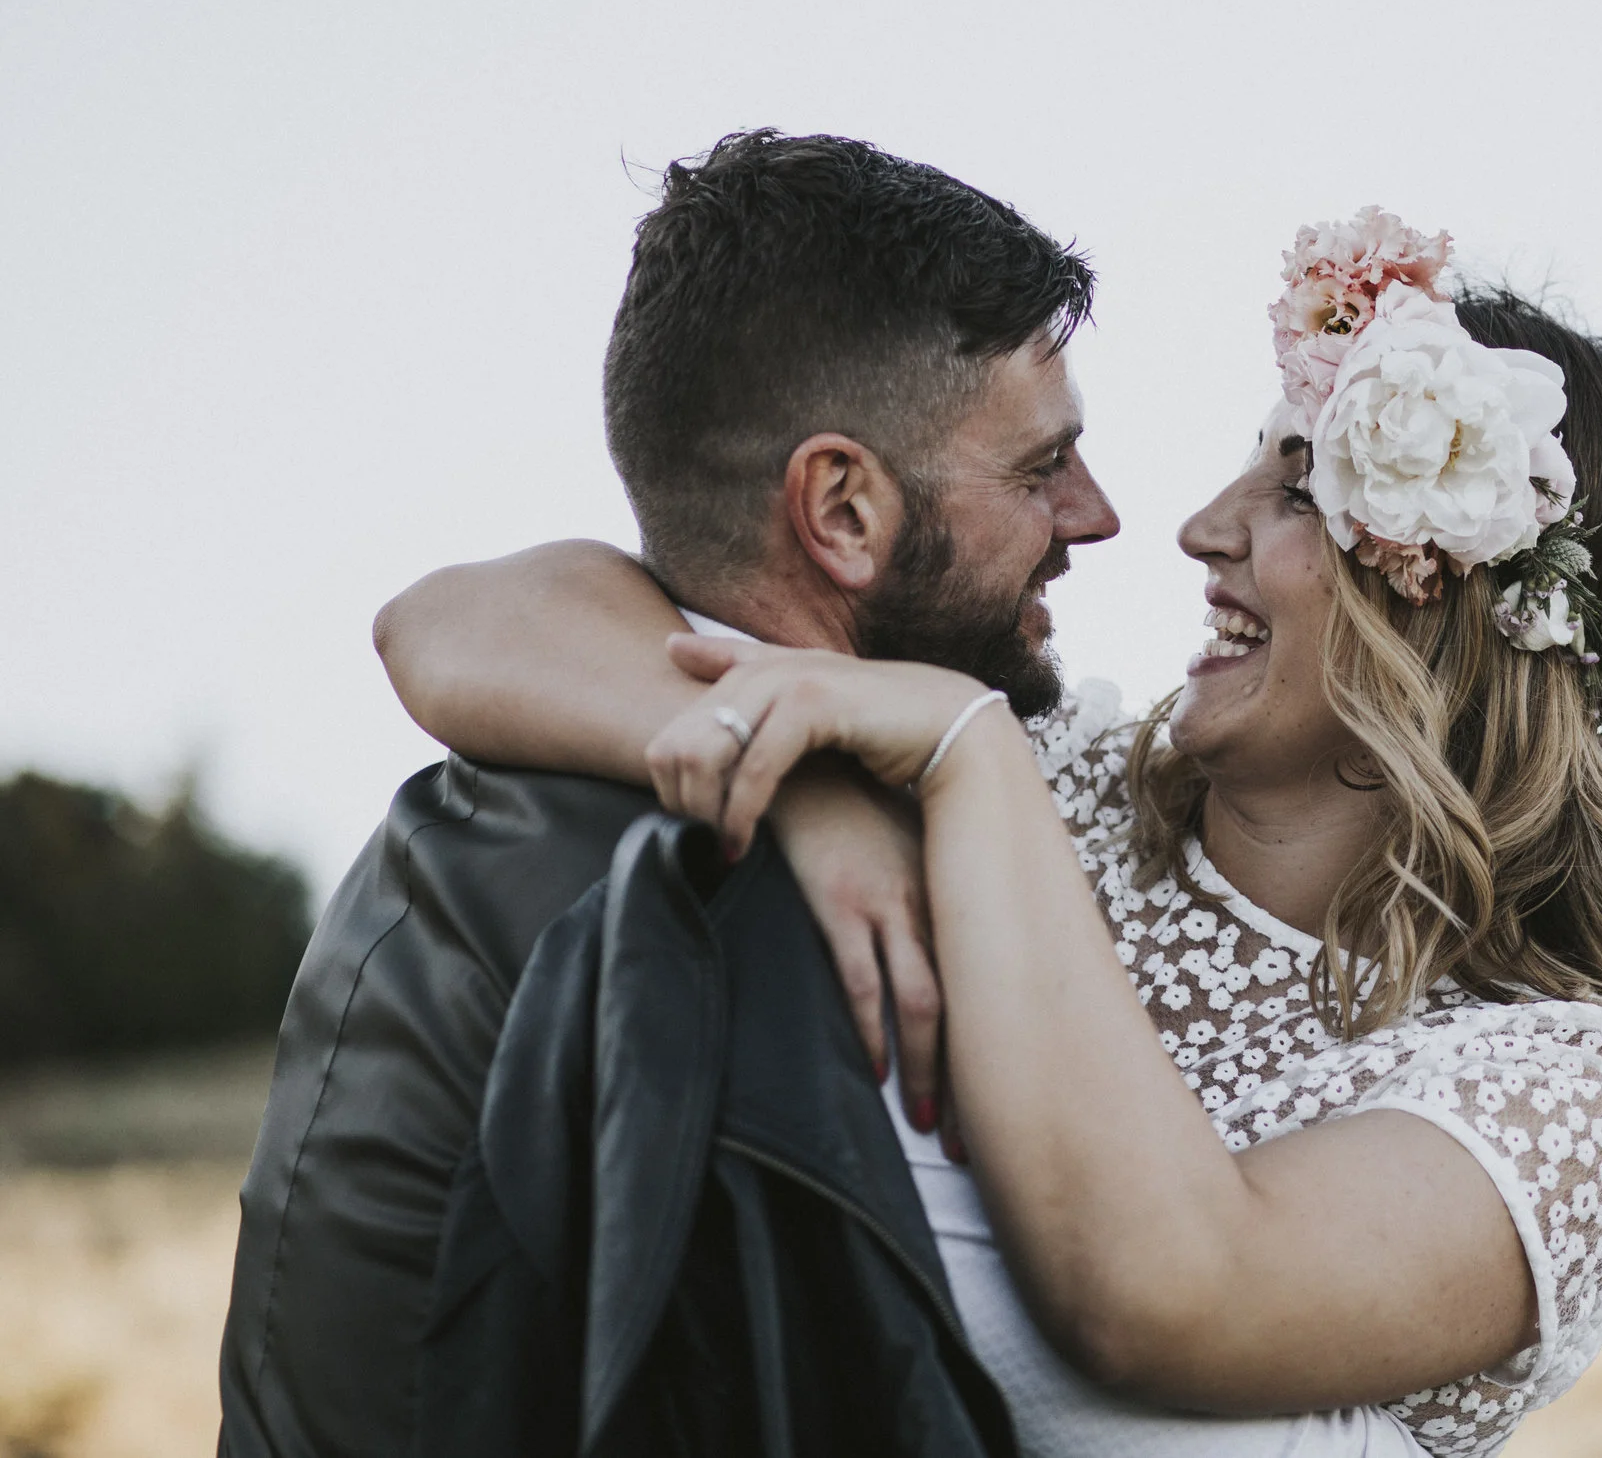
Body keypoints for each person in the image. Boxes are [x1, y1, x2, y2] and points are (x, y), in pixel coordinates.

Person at [377, 207, 1602, 1455]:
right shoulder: (1043, 772)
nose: (1201, 529)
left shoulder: (1582, 1090)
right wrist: (814, 791)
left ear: (1456, 598)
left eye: (1300, 489)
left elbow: (1172, 1292)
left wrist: (970, 766)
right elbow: (452, 622)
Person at [217, 130, 1117, 1457]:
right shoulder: (723, 923)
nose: (1095, 515)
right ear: (844, 512)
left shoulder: (495, 787)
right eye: (1041, 469)